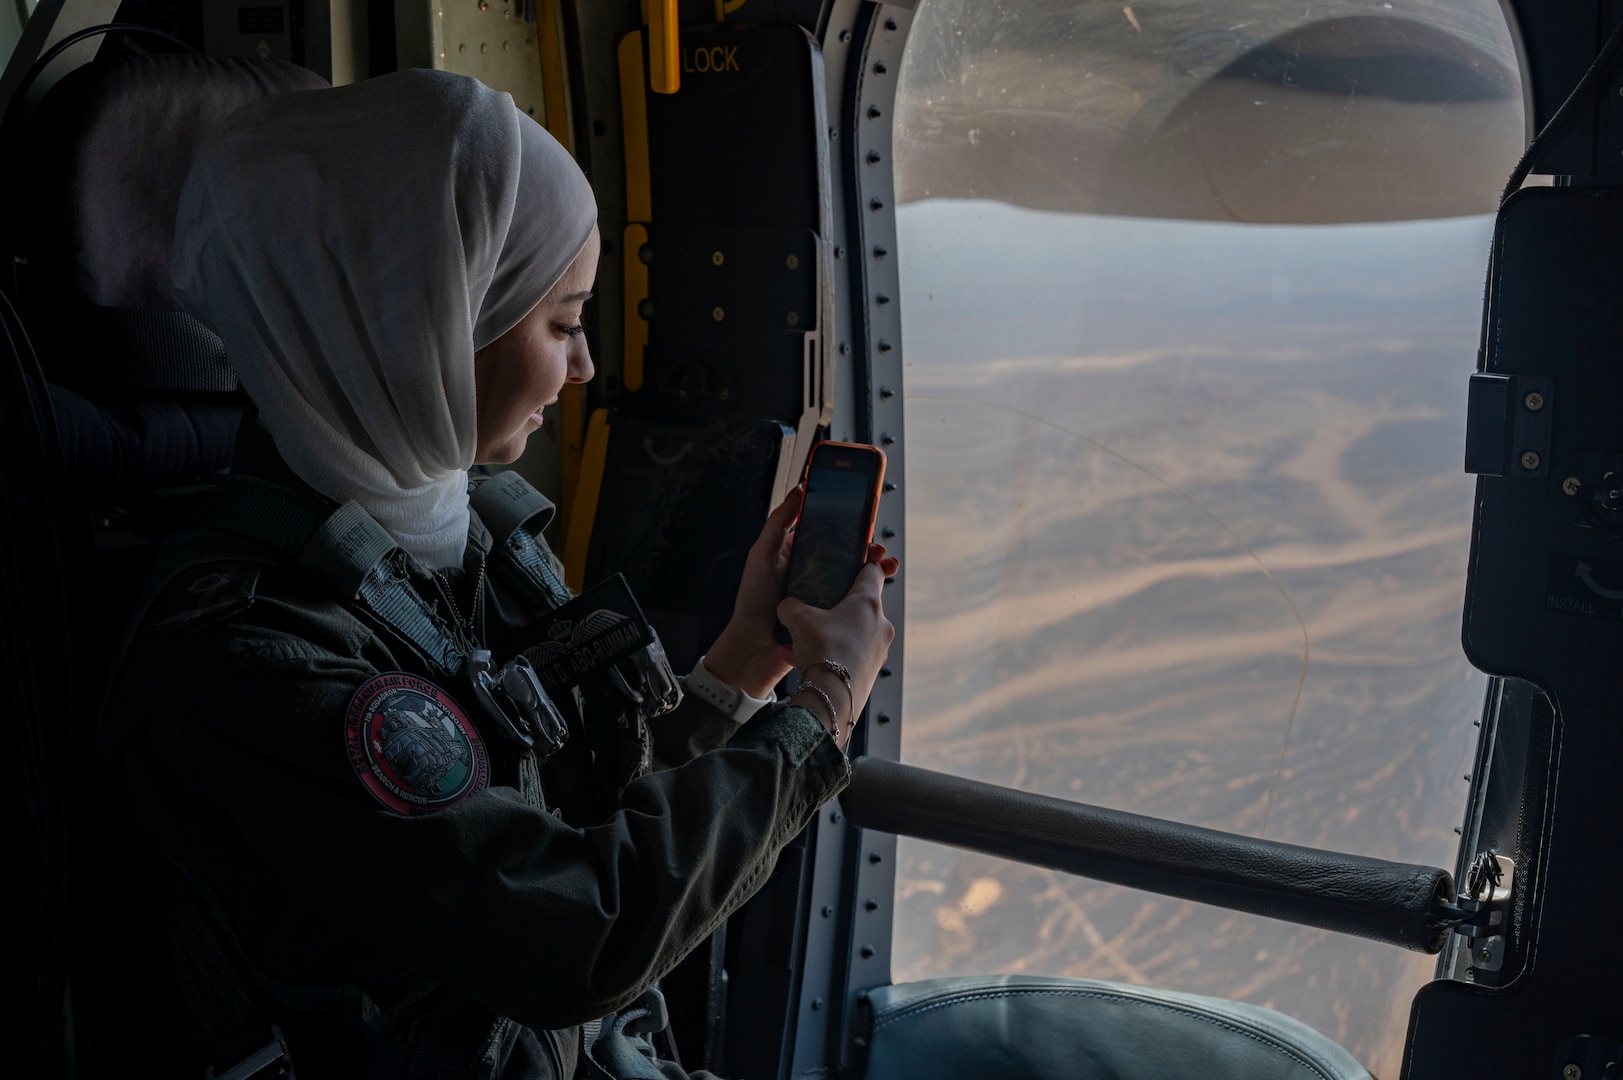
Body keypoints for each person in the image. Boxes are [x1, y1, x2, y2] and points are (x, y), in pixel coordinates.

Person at [100, 68, 898, 1079]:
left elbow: (574, 807)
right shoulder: (249, 659)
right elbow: (575, 931)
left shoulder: (462, 530)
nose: (585, 372)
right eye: (562, 323)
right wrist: (822, 710)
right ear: (422, 316)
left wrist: (742, 665)